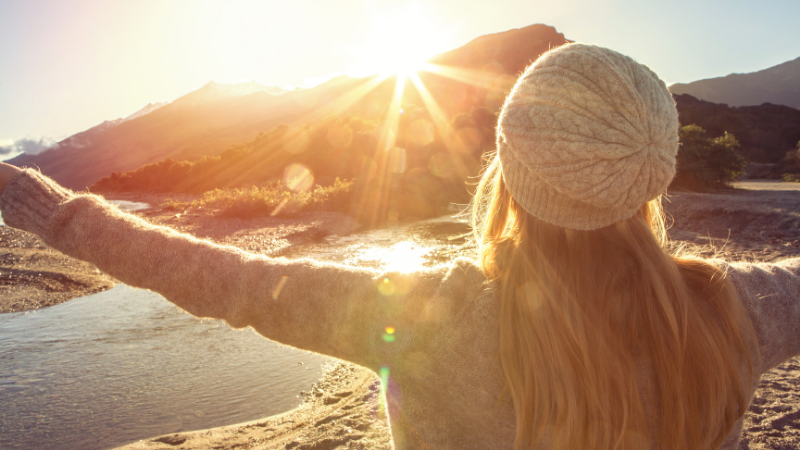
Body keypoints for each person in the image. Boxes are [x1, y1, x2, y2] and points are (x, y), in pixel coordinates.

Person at [0, 43, 798, 450]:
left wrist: (57, 216)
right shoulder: (737, 306)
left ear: (509, 171)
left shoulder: (434, 319)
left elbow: (230, 281)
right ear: (654, 175)